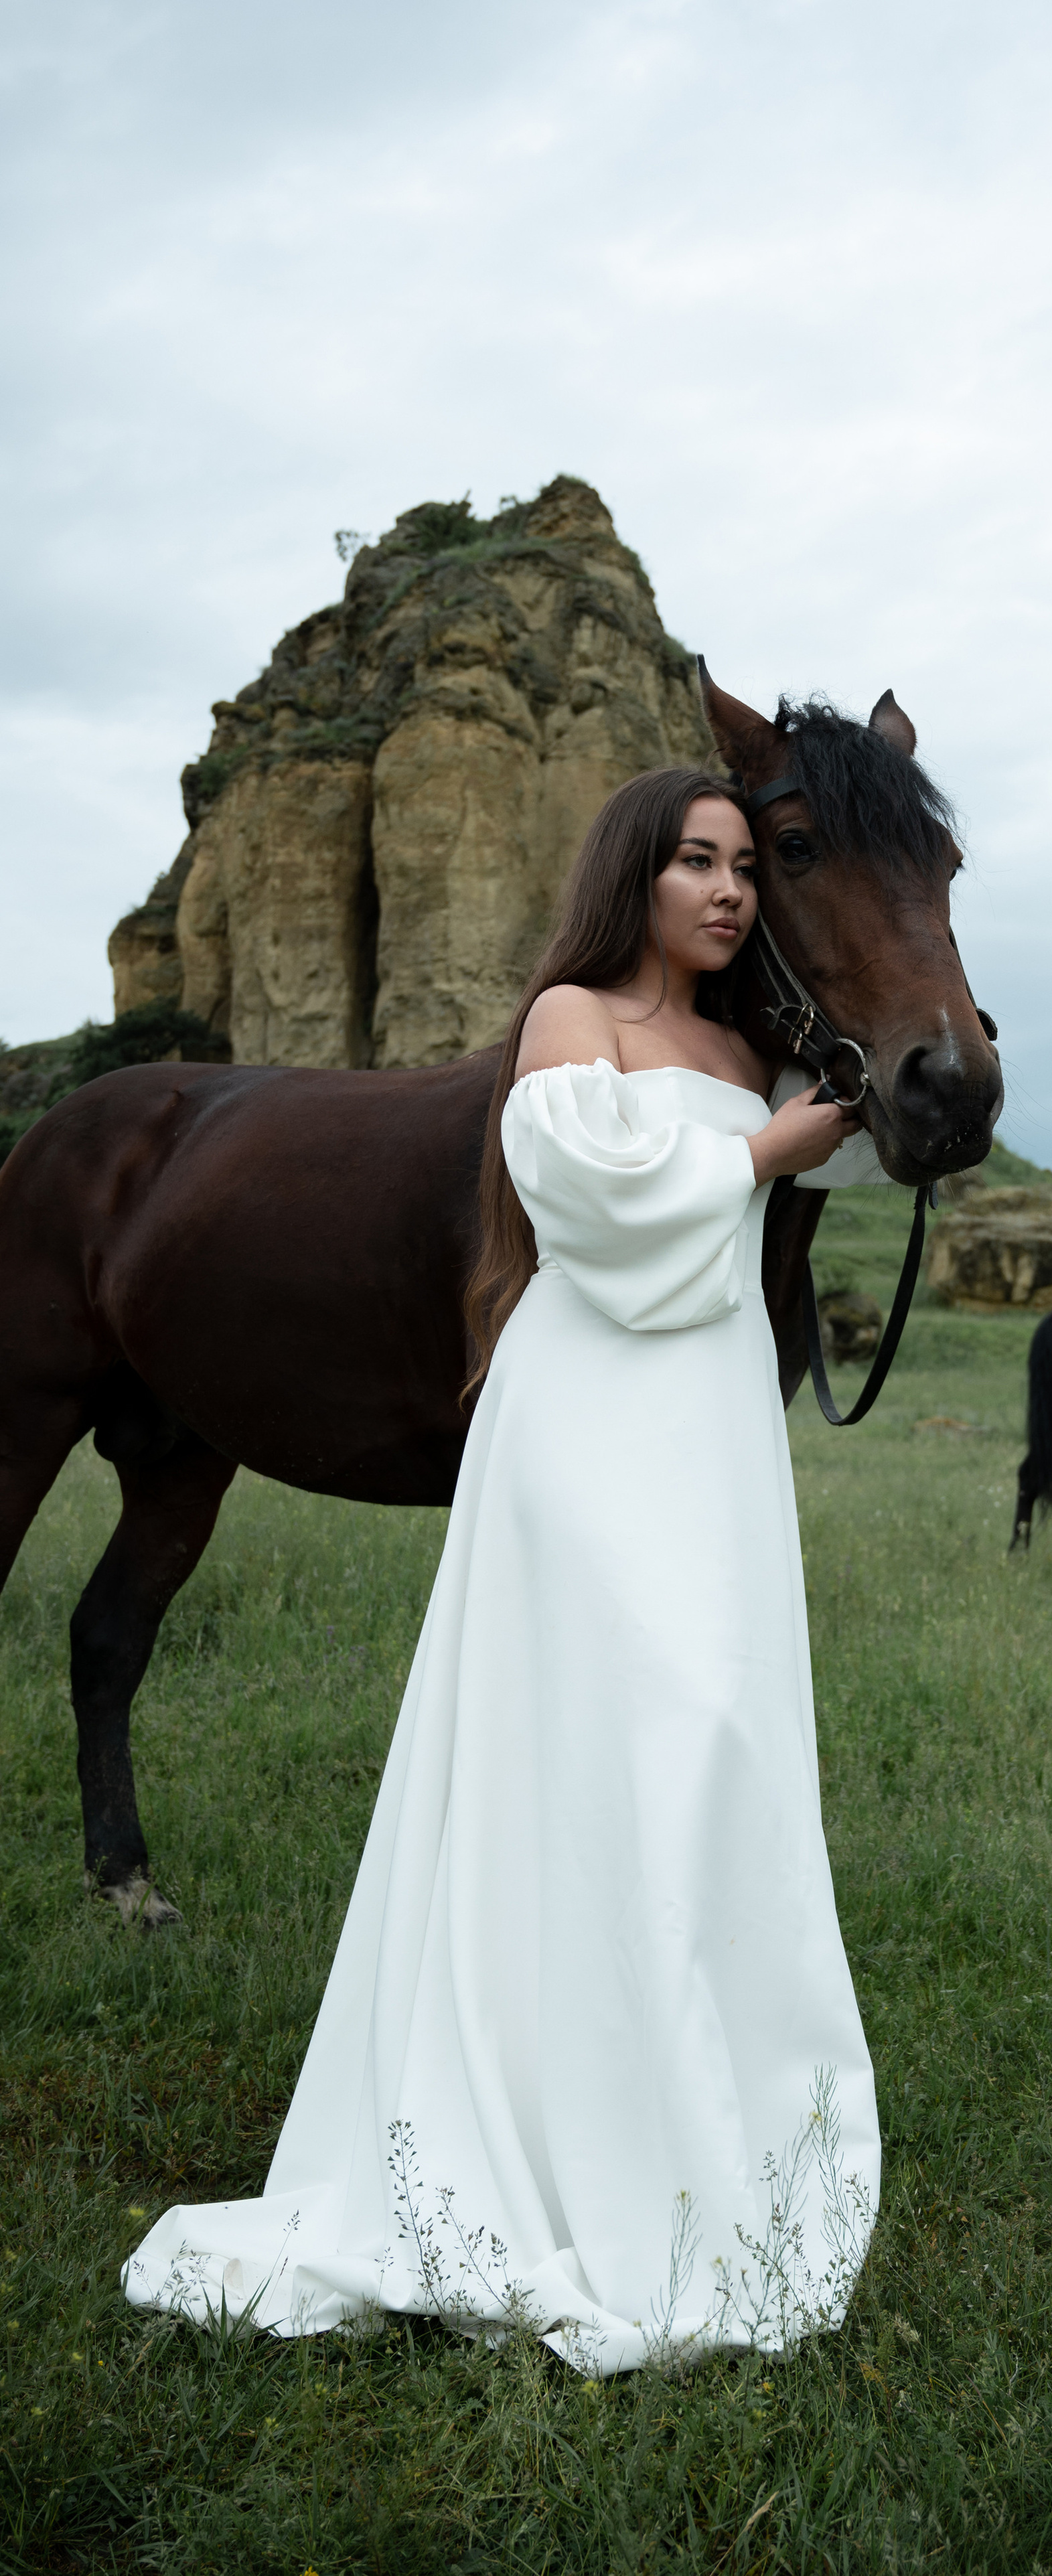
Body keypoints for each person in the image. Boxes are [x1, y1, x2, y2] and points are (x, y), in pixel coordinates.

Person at [123, 767, 885, 2373]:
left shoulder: (754, 1052)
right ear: (636, 875)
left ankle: (700, 2105)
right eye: (694, 862)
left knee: (712, 1739)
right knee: (601, 1739)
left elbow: (825, 1185)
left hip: (703, 1437)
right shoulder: (569, 1021)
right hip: (591, 1427)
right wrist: (757, 1162)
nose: (727, 891)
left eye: (745, 866)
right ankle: (543, 2127)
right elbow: (592, 1217)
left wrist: (859, 1096)